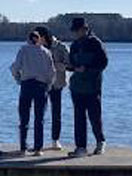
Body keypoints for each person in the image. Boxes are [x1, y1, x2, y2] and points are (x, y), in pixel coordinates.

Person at [67, 17, 109, 157]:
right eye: (74, 31)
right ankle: (80, 147)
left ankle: (100, 142)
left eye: (77, 31)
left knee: (94, 116)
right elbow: (72, 63)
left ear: (85, 29)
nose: (75, 33)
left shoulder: (96, 43)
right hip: (77, 87)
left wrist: (87, 69)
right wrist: (70, 67)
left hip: (92, 86)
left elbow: (103, 63)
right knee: (78, 117)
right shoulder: (74, 45)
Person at [9, 30, 55, 155]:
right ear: (39, 39)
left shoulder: (23, 50)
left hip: (27, 84)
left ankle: (23, 147)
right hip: (41, 86)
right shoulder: (46, 52)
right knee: (39, 118)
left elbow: (15, 68)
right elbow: (52, 72)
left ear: (28, 39)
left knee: (24, 118)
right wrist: (48, 85)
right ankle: (38, 148)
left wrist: (18, 79)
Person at [34, 25, 70, 151]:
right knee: (39, 113)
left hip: (57, 83)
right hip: (41, 83)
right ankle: (38, 143)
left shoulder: (61, 47)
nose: (38, 40)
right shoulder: (36, 47)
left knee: (56, 112)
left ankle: (55, 139)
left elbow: (70, 64)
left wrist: (55, 65)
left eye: (40, 37)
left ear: (45, 36)